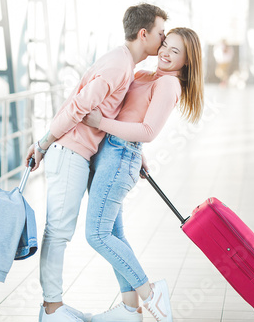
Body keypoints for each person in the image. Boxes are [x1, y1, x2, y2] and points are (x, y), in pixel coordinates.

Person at [24, 3, 168, 322]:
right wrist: (43, 143)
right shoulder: (119, 64)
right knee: (59, 231)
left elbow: (108, 113)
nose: (164, 39)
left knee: (64, 230)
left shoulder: (122, 63)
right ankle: (51, 308)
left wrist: (136, 152)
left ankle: (58, 306)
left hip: (78, 152)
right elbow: (79, 106)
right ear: (143, 33)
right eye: (161, 33)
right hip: (69, 150)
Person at [81, 27, 204, 322]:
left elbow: (147, 131)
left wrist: (103, 124)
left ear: (186, 62)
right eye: (166, 45)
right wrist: (136, 153)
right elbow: (132, 117)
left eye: (175, 52)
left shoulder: (169, 85)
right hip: (114, 154)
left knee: (96, 235)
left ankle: (149, 293)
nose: (165, 53)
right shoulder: (147, 75)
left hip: (119, 155)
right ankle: (128, 309)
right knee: (113, 234)